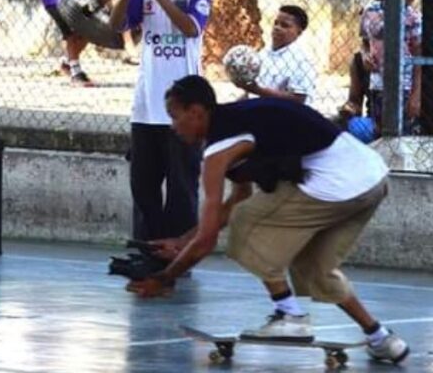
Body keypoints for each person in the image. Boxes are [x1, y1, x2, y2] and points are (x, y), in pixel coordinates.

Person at [129, 75, 409, 364]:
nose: (173, 127)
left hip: (335, 181)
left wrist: (165, 277)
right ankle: (381, 338)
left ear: (196, 112)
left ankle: (289, 315)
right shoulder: (238, 122)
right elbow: (238, 197)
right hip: (371, 177)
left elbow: (210, 237)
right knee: (315, 266)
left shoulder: (218, 150)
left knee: (246, 223)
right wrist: (182, 241)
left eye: (175, 117)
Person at [108, 0, 213, 243]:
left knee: (182, 186)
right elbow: (116, 25)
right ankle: (147, 249)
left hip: (183, 109)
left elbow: (190, 28)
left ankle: (178, 252)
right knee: (143, 185)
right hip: (147, 104)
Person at [339, 0, 422, 138]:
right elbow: (364, 42)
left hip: (403, 84)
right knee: (378, 131)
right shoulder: (371, 10)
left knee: (400, 134)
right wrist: (365, 55)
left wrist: (415, 95)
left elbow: (419, 58)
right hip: (377, 83)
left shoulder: (414, 17)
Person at [236, 5, 315, 104]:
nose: (277, 28)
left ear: (298, 32)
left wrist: (257, 90)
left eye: (285, 25)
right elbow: (250, 94)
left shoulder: (302, 59)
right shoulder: (263, 53)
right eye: (276, 23)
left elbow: (298, 99)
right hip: (257, 109)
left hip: (284, 114)